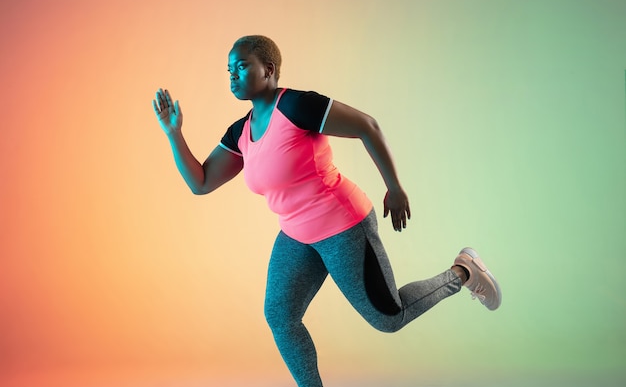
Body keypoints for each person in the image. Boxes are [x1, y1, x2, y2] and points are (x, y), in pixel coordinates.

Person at [152, 35, 502, 387]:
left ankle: (463, 272)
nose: (232, 75)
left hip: (342, 227)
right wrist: (174, 133)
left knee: (389, 319)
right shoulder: (240, 132)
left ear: (269, 69)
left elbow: (368, 126)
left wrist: (394, 188)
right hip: (296, 235)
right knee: (280, 316)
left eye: (241, 66)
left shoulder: (297, 106)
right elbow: (201, 182)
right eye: (229, 69)